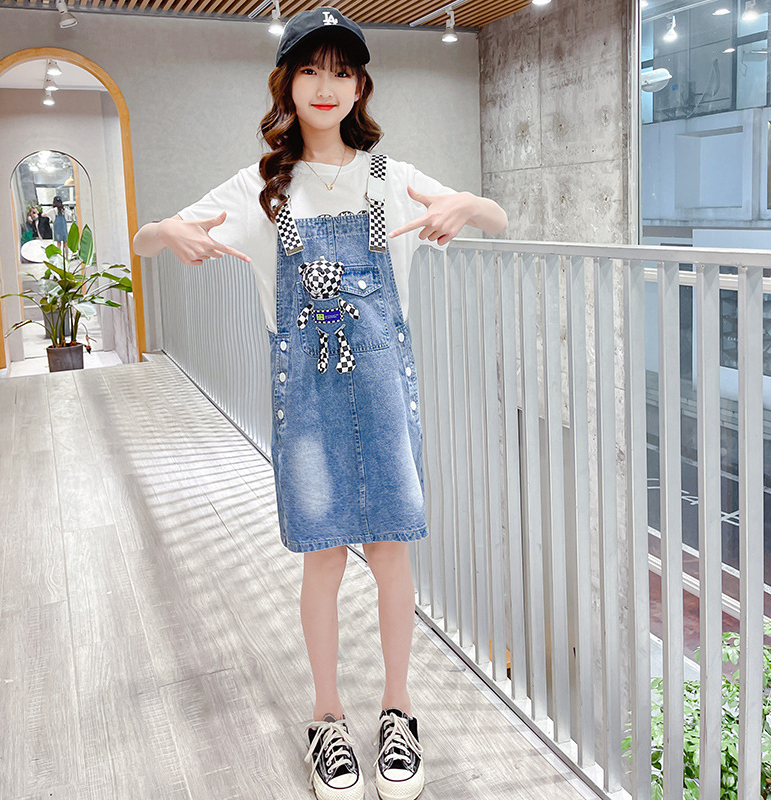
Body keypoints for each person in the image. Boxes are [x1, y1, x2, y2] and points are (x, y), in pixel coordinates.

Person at [132, 8, 507, 800]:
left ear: (360, 85)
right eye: (310, 70)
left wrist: (466, 206)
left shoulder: (389, 177)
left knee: (393, 552)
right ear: (288, 84)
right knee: (324, 559)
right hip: (307, 403)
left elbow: (498, 219)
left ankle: (399, 710)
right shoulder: (260, 187)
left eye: (341, 70)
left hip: (384, 393)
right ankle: (327, 717)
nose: (326, 85)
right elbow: (142, 241)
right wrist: (166, 230)